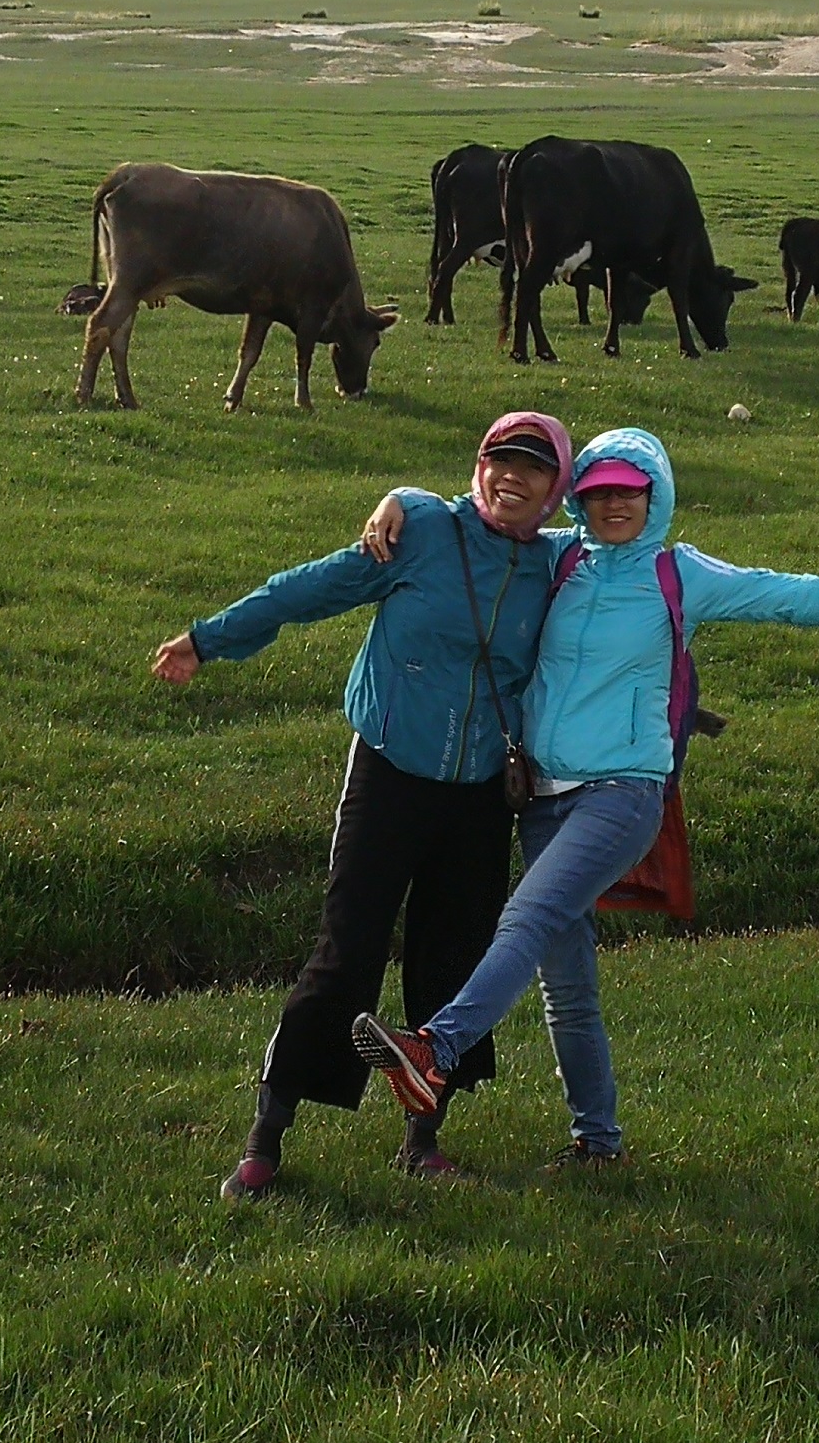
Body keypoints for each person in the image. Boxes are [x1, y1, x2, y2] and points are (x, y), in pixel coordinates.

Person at [351, 425, 819, 1165]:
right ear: (579, 500)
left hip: (623, 793)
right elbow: (485, 523)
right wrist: (401, 498)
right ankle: (598, 1143)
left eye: (630, 491)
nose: (614, 505)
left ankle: (435, 1049)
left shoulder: (678, 574)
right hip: (543, 797)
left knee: (525, 915)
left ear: (655, 496)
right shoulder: (561, 560)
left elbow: (787, 595)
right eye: (598, 493)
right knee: (567, 983)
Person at [153, 412, 576, 1199]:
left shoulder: (562, 566)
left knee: (453, 963)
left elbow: (627, 568)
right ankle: (265, 1139)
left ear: (559, 489)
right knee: (346, 950)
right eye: (497, 460)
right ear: (476, 466)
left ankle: (423, 1139)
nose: (510, 478)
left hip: (482, 791)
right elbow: (310, 588)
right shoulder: (415, 531)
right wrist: (208, 640)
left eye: (532, 469)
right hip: (389, 770)